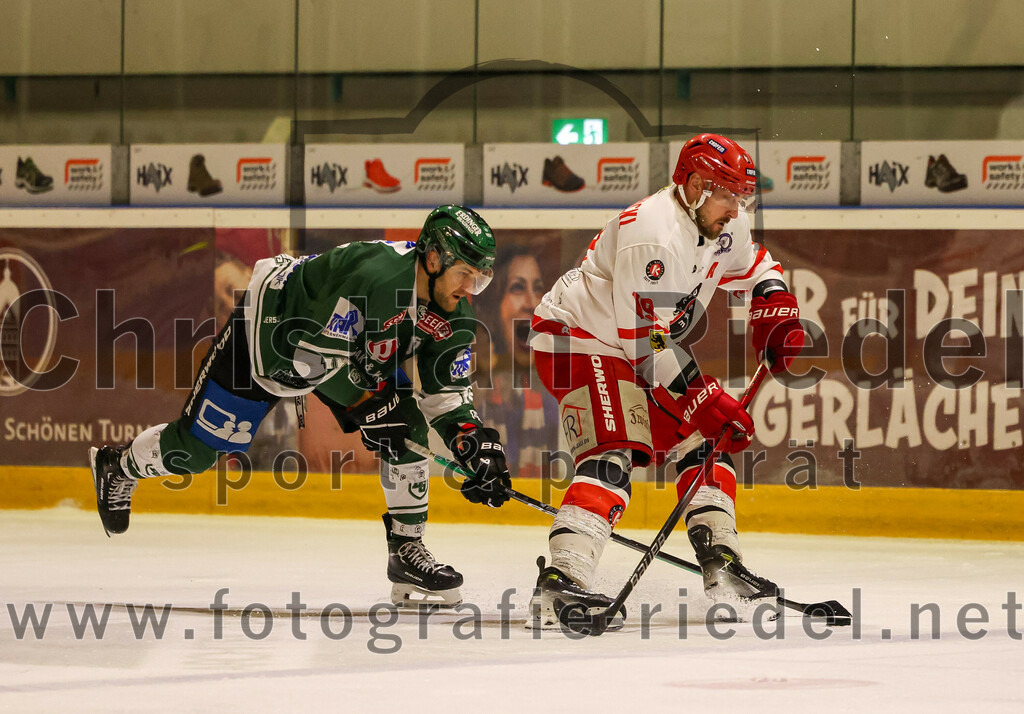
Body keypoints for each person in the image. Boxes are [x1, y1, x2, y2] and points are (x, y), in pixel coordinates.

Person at [88, 205, 513, 608]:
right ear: (434, 259)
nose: (468, 289)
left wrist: (474, 447)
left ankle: (406, 552)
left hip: (343, 352)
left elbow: (447, 398)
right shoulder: (376, 278)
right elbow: (305, 357)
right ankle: (118, 466)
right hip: (272, 335)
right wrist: (369, 407)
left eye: (480, 279)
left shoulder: (453, 314)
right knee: (198, 451)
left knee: (408, 429)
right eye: (464, 274)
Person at [527, 134, 805, 626]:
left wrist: (775, 306)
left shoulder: (722, 220)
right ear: (695, 185)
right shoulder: (654, 234)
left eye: (743, 198)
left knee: (704, 441)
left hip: (638, 345)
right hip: (578, 339)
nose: (737, 210)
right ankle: (562, 580)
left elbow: (756, 263)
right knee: (615, 449)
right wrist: (701, 396)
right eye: (728, 195)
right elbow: (645, 344)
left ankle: (722, 562)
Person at [473, 244, 560, 478]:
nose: (533, 302)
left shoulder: (552, 404)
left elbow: (555, 480)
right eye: (517, 288)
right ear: (492, 305)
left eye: (538, 288)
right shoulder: (465, 402)